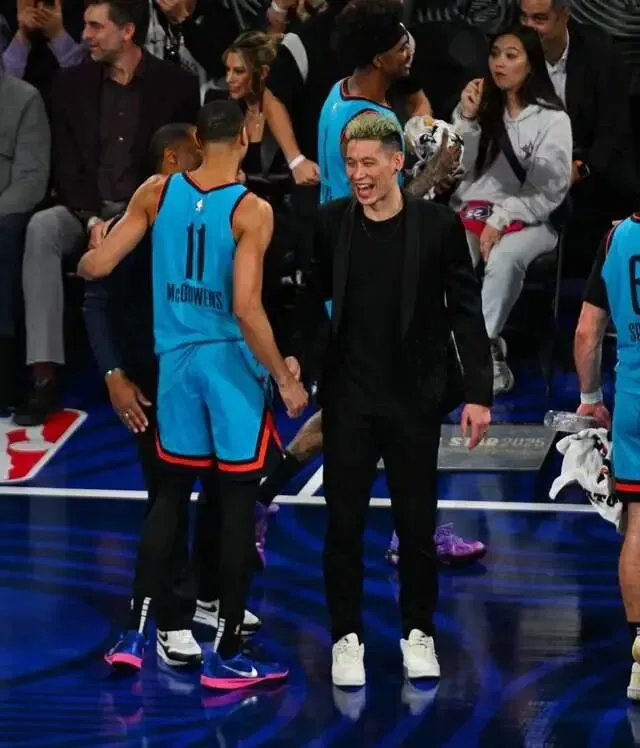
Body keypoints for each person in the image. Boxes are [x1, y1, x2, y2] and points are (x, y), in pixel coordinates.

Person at [78, 99, 308, 689]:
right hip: (228, 369)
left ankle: (135, 634)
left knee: (169, 498)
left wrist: (91, 244)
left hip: (175, 367)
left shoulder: (156, 191)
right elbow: (247, 308)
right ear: (247, 136)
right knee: (235, 504)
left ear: (199, 140)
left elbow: (97, 267)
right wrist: (285, 379)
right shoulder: (252, 209)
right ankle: (226, 652)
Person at [308, 111, 492, 687]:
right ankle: (346, 638)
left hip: (414, 399)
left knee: (416, 528)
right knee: (343, 527)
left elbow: (465, 310)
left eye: (368, 163)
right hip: (349, 401)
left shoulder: (437, 226)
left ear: (396, 162)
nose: (358, 175)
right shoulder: (330, 223)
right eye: (350, 164)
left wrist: (478, 393)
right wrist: (297, 368)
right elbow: (311, 302)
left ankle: (419, 632)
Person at [449, 25, 572, 393]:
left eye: (511, 55)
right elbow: (458, 169)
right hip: (474, 210)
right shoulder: (478, 106)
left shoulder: (553, 120)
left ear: (531, 64)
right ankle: (458, 345)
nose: (499, 63)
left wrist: (502, 218)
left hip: (533, 218)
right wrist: (467, 119)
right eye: (495, 54)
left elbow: (549, 190)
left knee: (504, 257)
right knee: (451, 255)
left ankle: (481, 349)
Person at [573, 213, 640, 701]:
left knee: (639, 526)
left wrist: (590, 397)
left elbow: (586, 332)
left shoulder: (617, 236)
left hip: (635, 404)